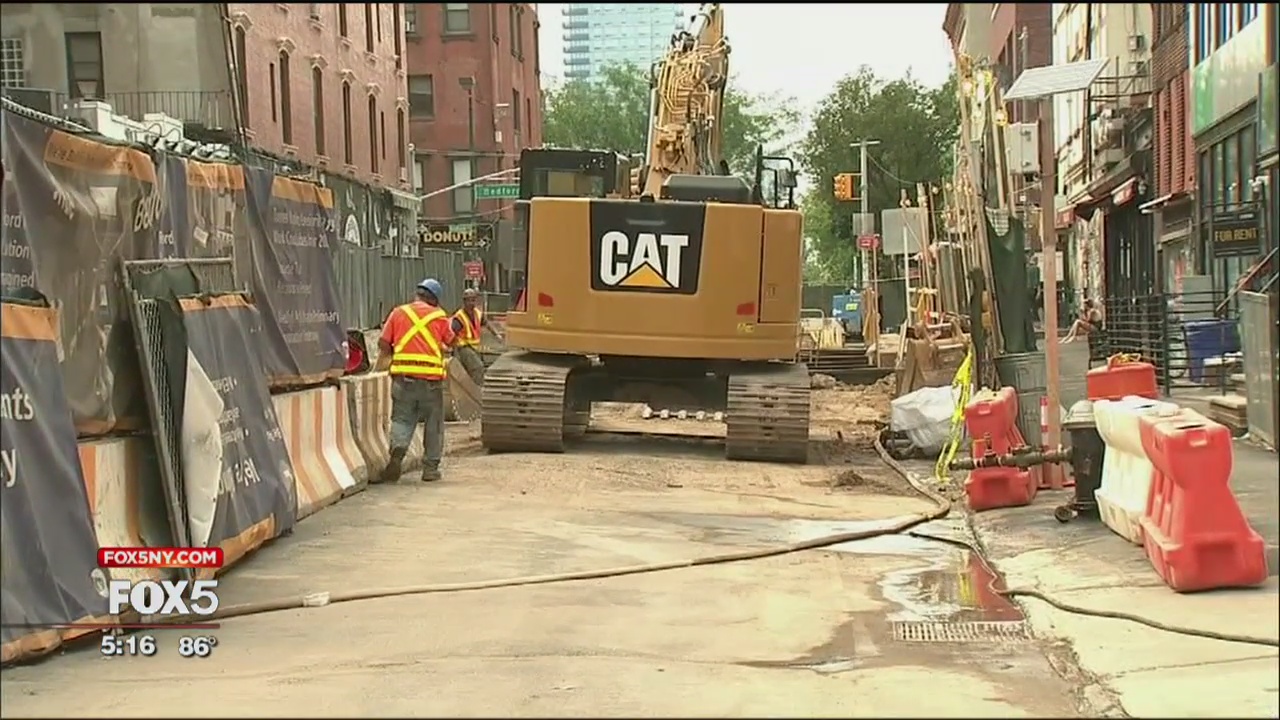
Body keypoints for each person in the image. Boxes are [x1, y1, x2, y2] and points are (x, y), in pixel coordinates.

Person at [374, 278, 455, 483]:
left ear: (417, 294)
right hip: (431, 382)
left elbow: (383, 343)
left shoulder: (398, 312)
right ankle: (430, 470)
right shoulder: (439, 316)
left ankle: (397, 453)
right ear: (434, 299)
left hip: (403, 379)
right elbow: (451, 341)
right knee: (433, 424)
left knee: (402, 419)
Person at [450, 288, 487, 384]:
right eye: (469, 300)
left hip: (475, 348)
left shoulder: (477, 314)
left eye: (473, 300)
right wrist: (453, 352)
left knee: (472, 370)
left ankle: (470, 387)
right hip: (463, 348)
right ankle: (476, 388)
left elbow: (486, 323)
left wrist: (497, 334)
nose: (471, 303)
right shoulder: (459, 317)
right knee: (478, 367)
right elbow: (452, 333)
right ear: (464, 302)